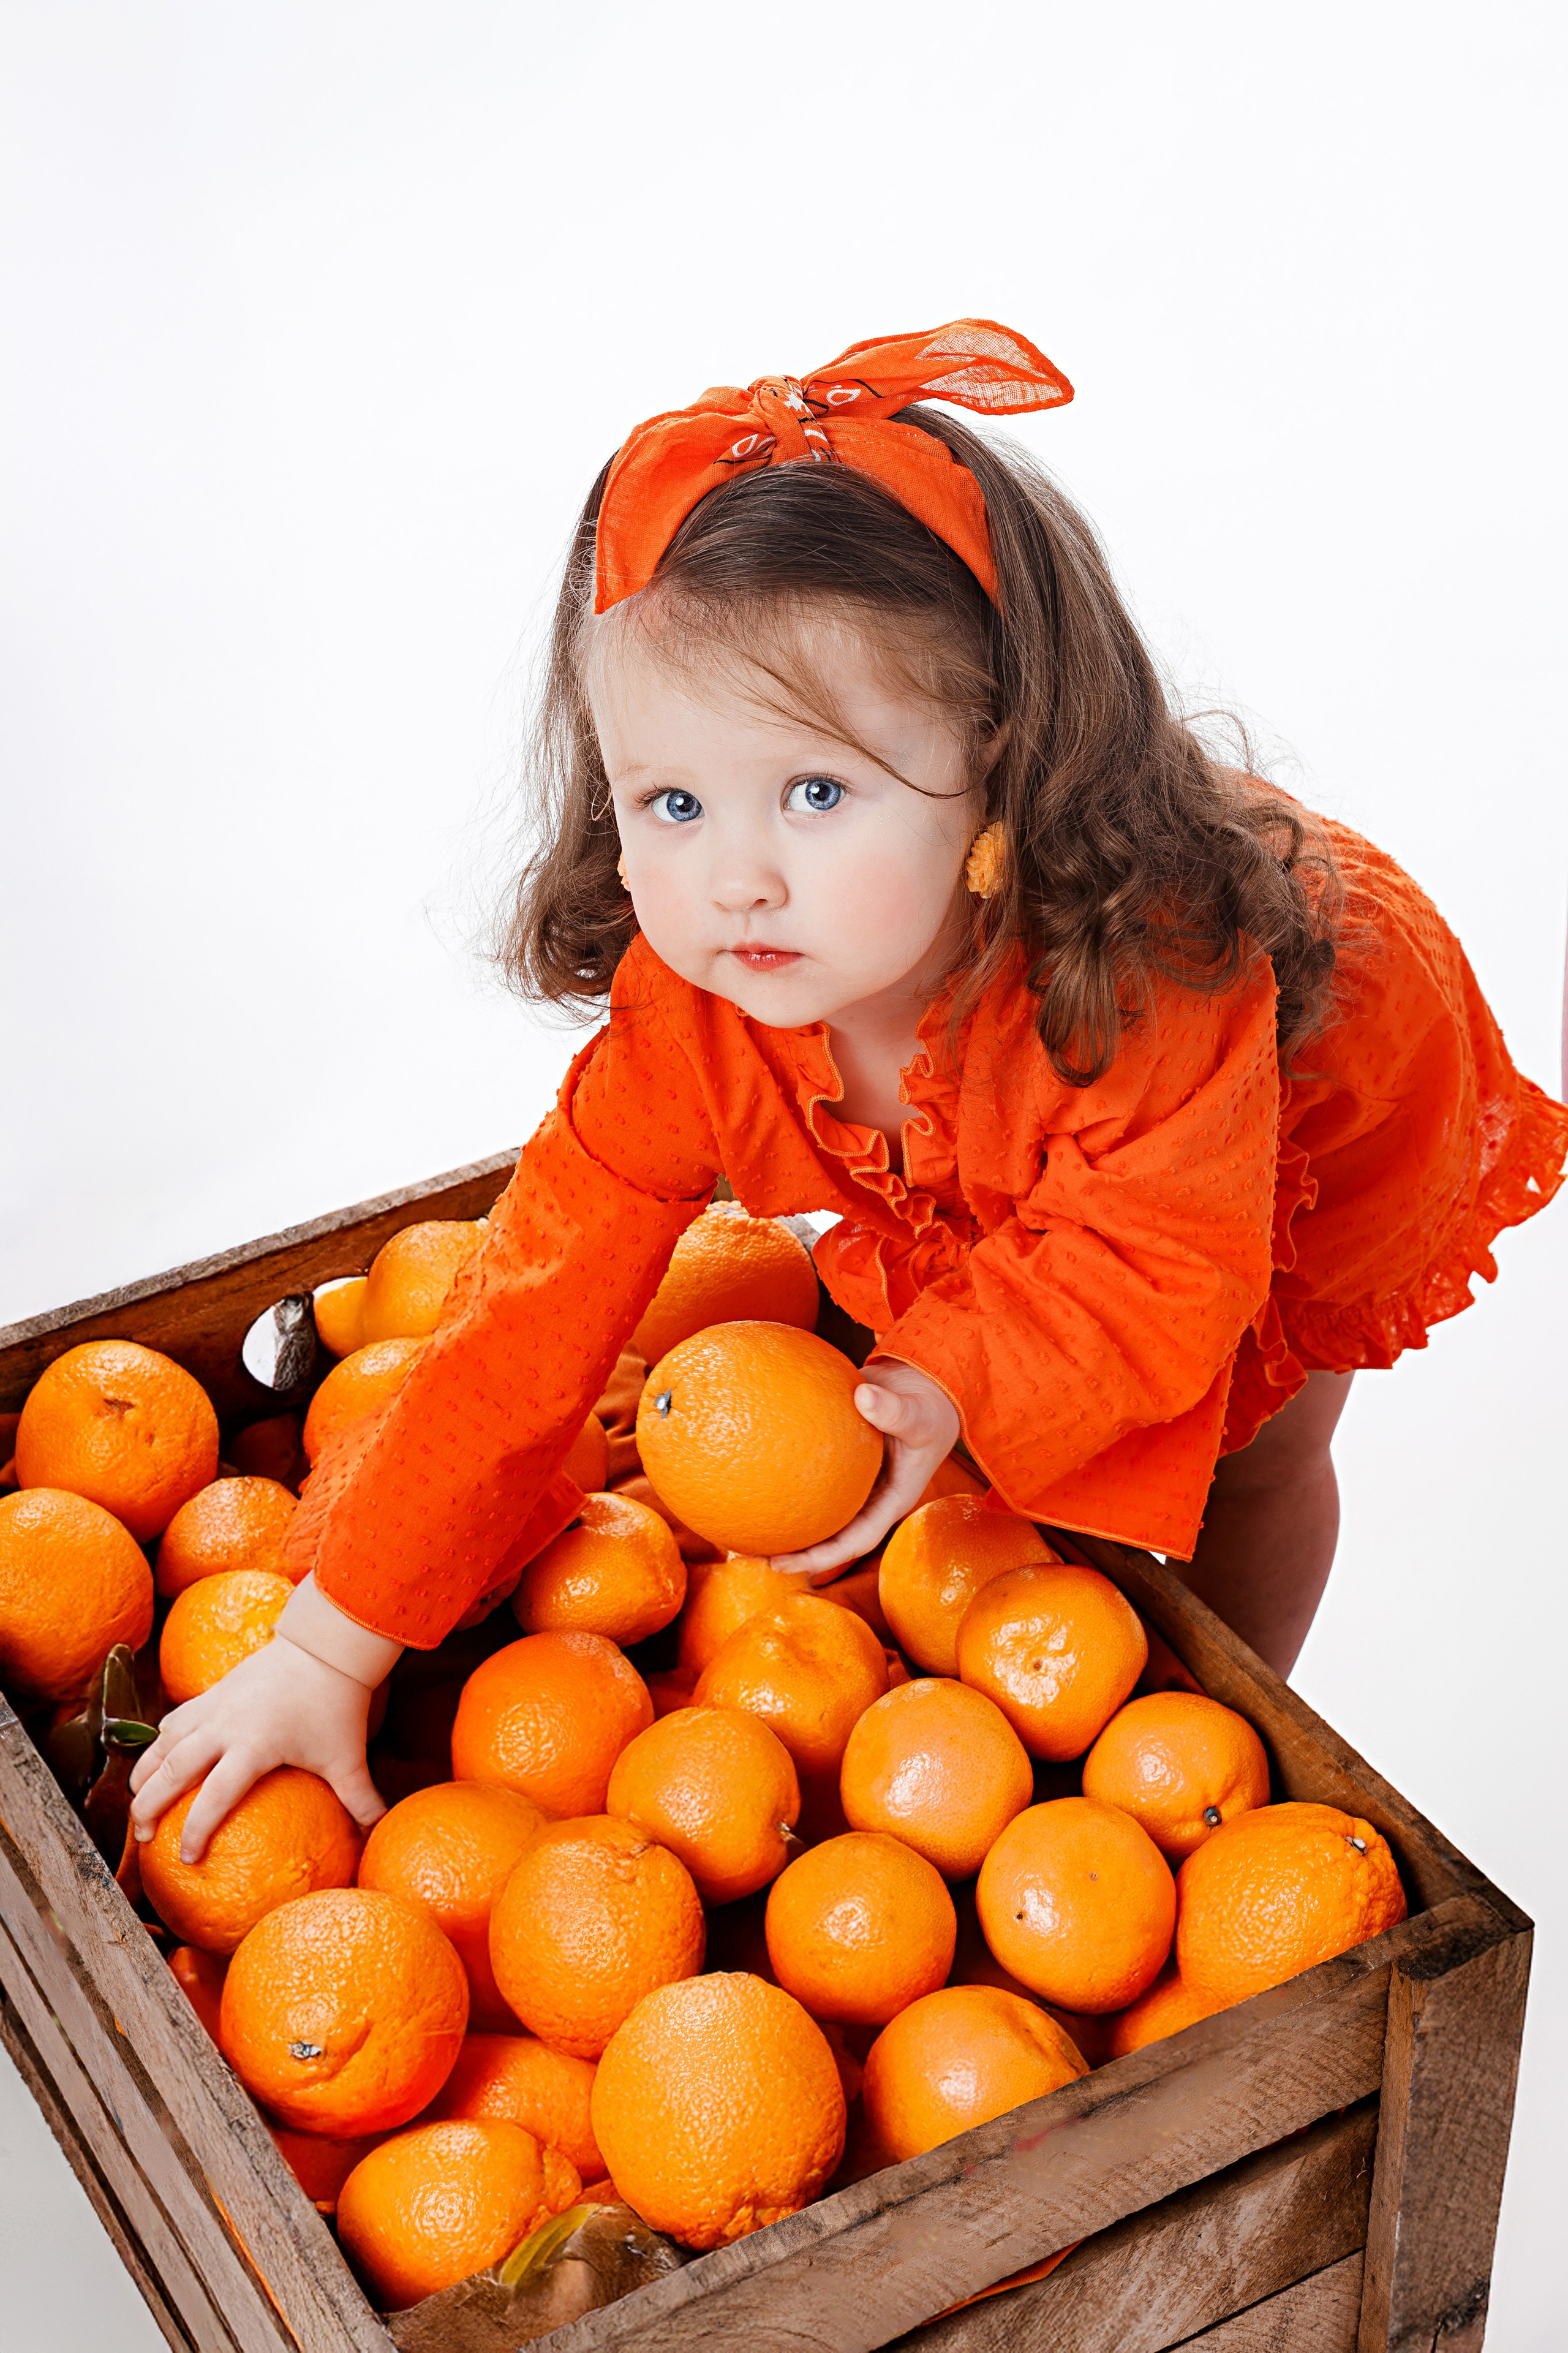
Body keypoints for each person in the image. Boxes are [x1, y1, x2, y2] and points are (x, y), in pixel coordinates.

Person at [129, 320, 1567, 1860]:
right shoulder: (698, 1008)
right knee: (1013, 1367)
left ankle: (1207, 1761)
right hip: (1071, 1139)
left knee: (1246, 1444)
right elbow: (523, 1315)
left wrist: (948, 1383)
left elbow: (1155, 1257)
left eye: (816, 793)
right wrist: (326, 1646)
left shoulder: (1156, 977)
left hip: (1308, 1069)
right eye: (670, 801)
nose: (735, 877)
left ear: (995, 772)